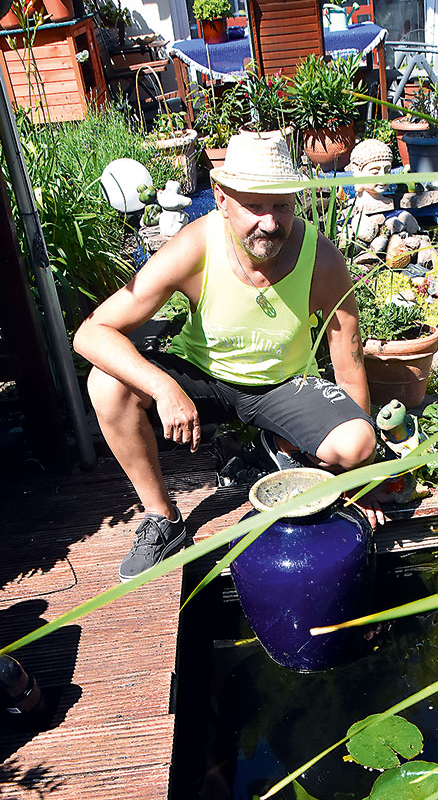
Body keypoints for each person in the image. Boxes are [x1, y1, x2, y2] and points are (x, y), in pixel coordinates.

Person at [74, 133, 384, 582]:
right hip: (203, 375)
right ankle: (163, 518)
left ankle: (279, 444)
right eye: (254, 206)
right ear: (220, 199)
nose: (270, 222)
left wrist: (361, 475)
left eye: (281, 206)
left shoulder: (324, 261)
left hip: (283, 385)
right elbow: (92, 332)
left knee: (356, 443)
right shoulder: (195, 246)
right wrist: (164, 389)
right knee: (106, 383)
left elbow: (350, 366)